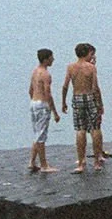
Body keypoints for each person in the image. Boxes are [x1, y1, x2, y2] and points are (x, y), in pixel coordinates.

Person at [60, 42, 105, 173]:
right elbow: (95, 87)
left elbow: (65, 86)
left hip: (77, 96)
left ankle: (81, 162)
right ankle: (97, 162)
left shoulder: (71, 67)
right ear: (86, 53)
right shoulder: (91, 68)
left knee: (80, 130)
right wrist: (100, 104)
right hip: (89, 96)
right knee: (95, 128)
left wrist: (63, 102)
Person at [28, 49, 60, 174]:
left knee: (37, 133)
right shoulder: (46, 74)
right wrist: (54, 112)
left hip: (34, 103)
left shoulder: (35, 71)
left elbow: (30, 90)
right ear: (46, 59)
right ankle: (44, 165)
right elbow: (48, 94)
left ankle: (32, 162)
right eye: (52, 57)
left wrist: (34, 101)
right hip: (42, 104)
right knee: (41, 135)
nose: (53, 60)